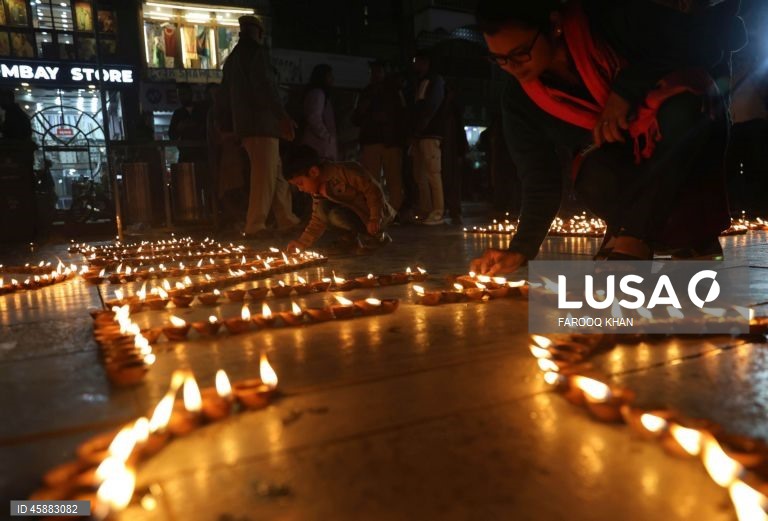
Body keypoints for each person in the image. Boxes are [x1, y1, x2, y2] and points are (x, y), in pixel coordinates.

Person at [470, 0, 746, 275]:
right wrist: (521, 248)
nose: (513, 67)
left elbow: (700, 43)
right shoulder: (520, 100)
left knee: (683, 107)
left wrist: (625, 92)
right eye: (500, 59)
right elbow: (540, 178)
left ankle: (638, 237)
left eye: (521, 53)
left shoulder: (608, 22)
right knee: (593, 171)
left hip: (688, 142)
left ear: (553, 25)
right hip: (620, 175)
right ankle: (638, 233)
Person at [219, 15, 300, 239]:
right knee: (264, 175)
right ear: (259, 33)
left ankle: (286, 218)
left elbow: (224, 95)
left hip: (247, 125)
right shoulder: (256, 54)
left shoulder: (233, 58)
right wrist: (282, 116)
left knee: (276, 173)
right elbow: (266, 87)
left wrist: (226, 124)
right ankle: (255, 225)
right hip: (261, 124)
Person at [285, 145, 395, 253]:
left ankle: (377, 237)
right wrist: (302, 242)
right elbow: (318, 219)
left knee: (335, 215)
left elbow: (372, 191)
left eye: (300, 183)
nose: (300, 189)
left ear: (314, 172)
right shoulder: (318, 190)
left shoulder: (343, 172)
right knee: (322, 209)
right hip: (354, 214)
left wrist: (375, 218)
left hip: (374, 216)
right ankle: (349, 241)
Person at [353, 60, 407, 213]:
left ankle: (390, 210)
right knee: (374, 179)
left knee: (392, 178)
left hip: (388, 140)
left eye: (378, 71)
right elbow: (356, 117)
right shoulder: (367, 92)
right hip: (376, 140)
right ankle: (377, 210)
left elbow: (402, 116)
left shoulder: (393, 92)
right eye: (373, 72)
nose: (375, 75)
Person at [409, 50, 448, 225]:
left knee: (433, 172)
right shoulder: (422, 81)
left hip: (430, 132)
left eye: (417, 61)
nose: (415, 64)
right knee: (421, 174)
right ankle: (425, 209)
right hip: (421, 133)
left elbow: (432, 105)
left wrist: (422, 124)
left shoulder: (435, 80)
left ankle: (438, 211)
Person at [299, 64, 338, 160]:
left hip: (319, 146)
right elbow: (314, 118)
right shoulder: (318, 94)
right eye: (329, 76)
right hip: (319, 147)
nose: (332, 79)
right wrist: (327, 136)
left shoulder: (318, 94)